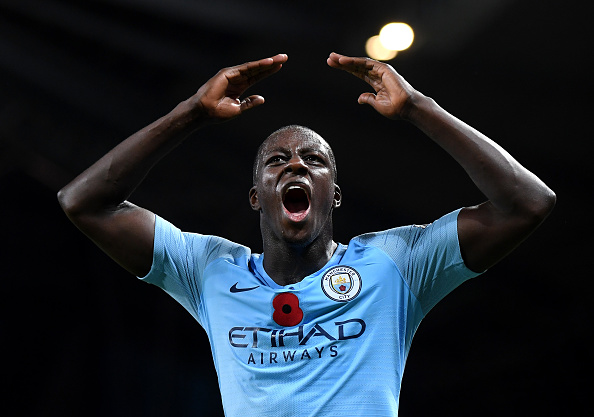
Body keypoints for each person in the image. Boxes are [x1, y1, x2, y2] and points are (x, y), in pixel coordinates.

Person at [58, 52, 555, 416]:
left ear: (333, 195)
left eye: (314, 160)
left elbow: (528, 204)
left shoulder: (394, 264)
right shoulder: (209, 269)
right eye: (277, 160)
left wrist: (416, 107)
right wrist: (192, 112)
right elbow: (82, 203)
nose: (295, 162)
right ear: (256, 196)